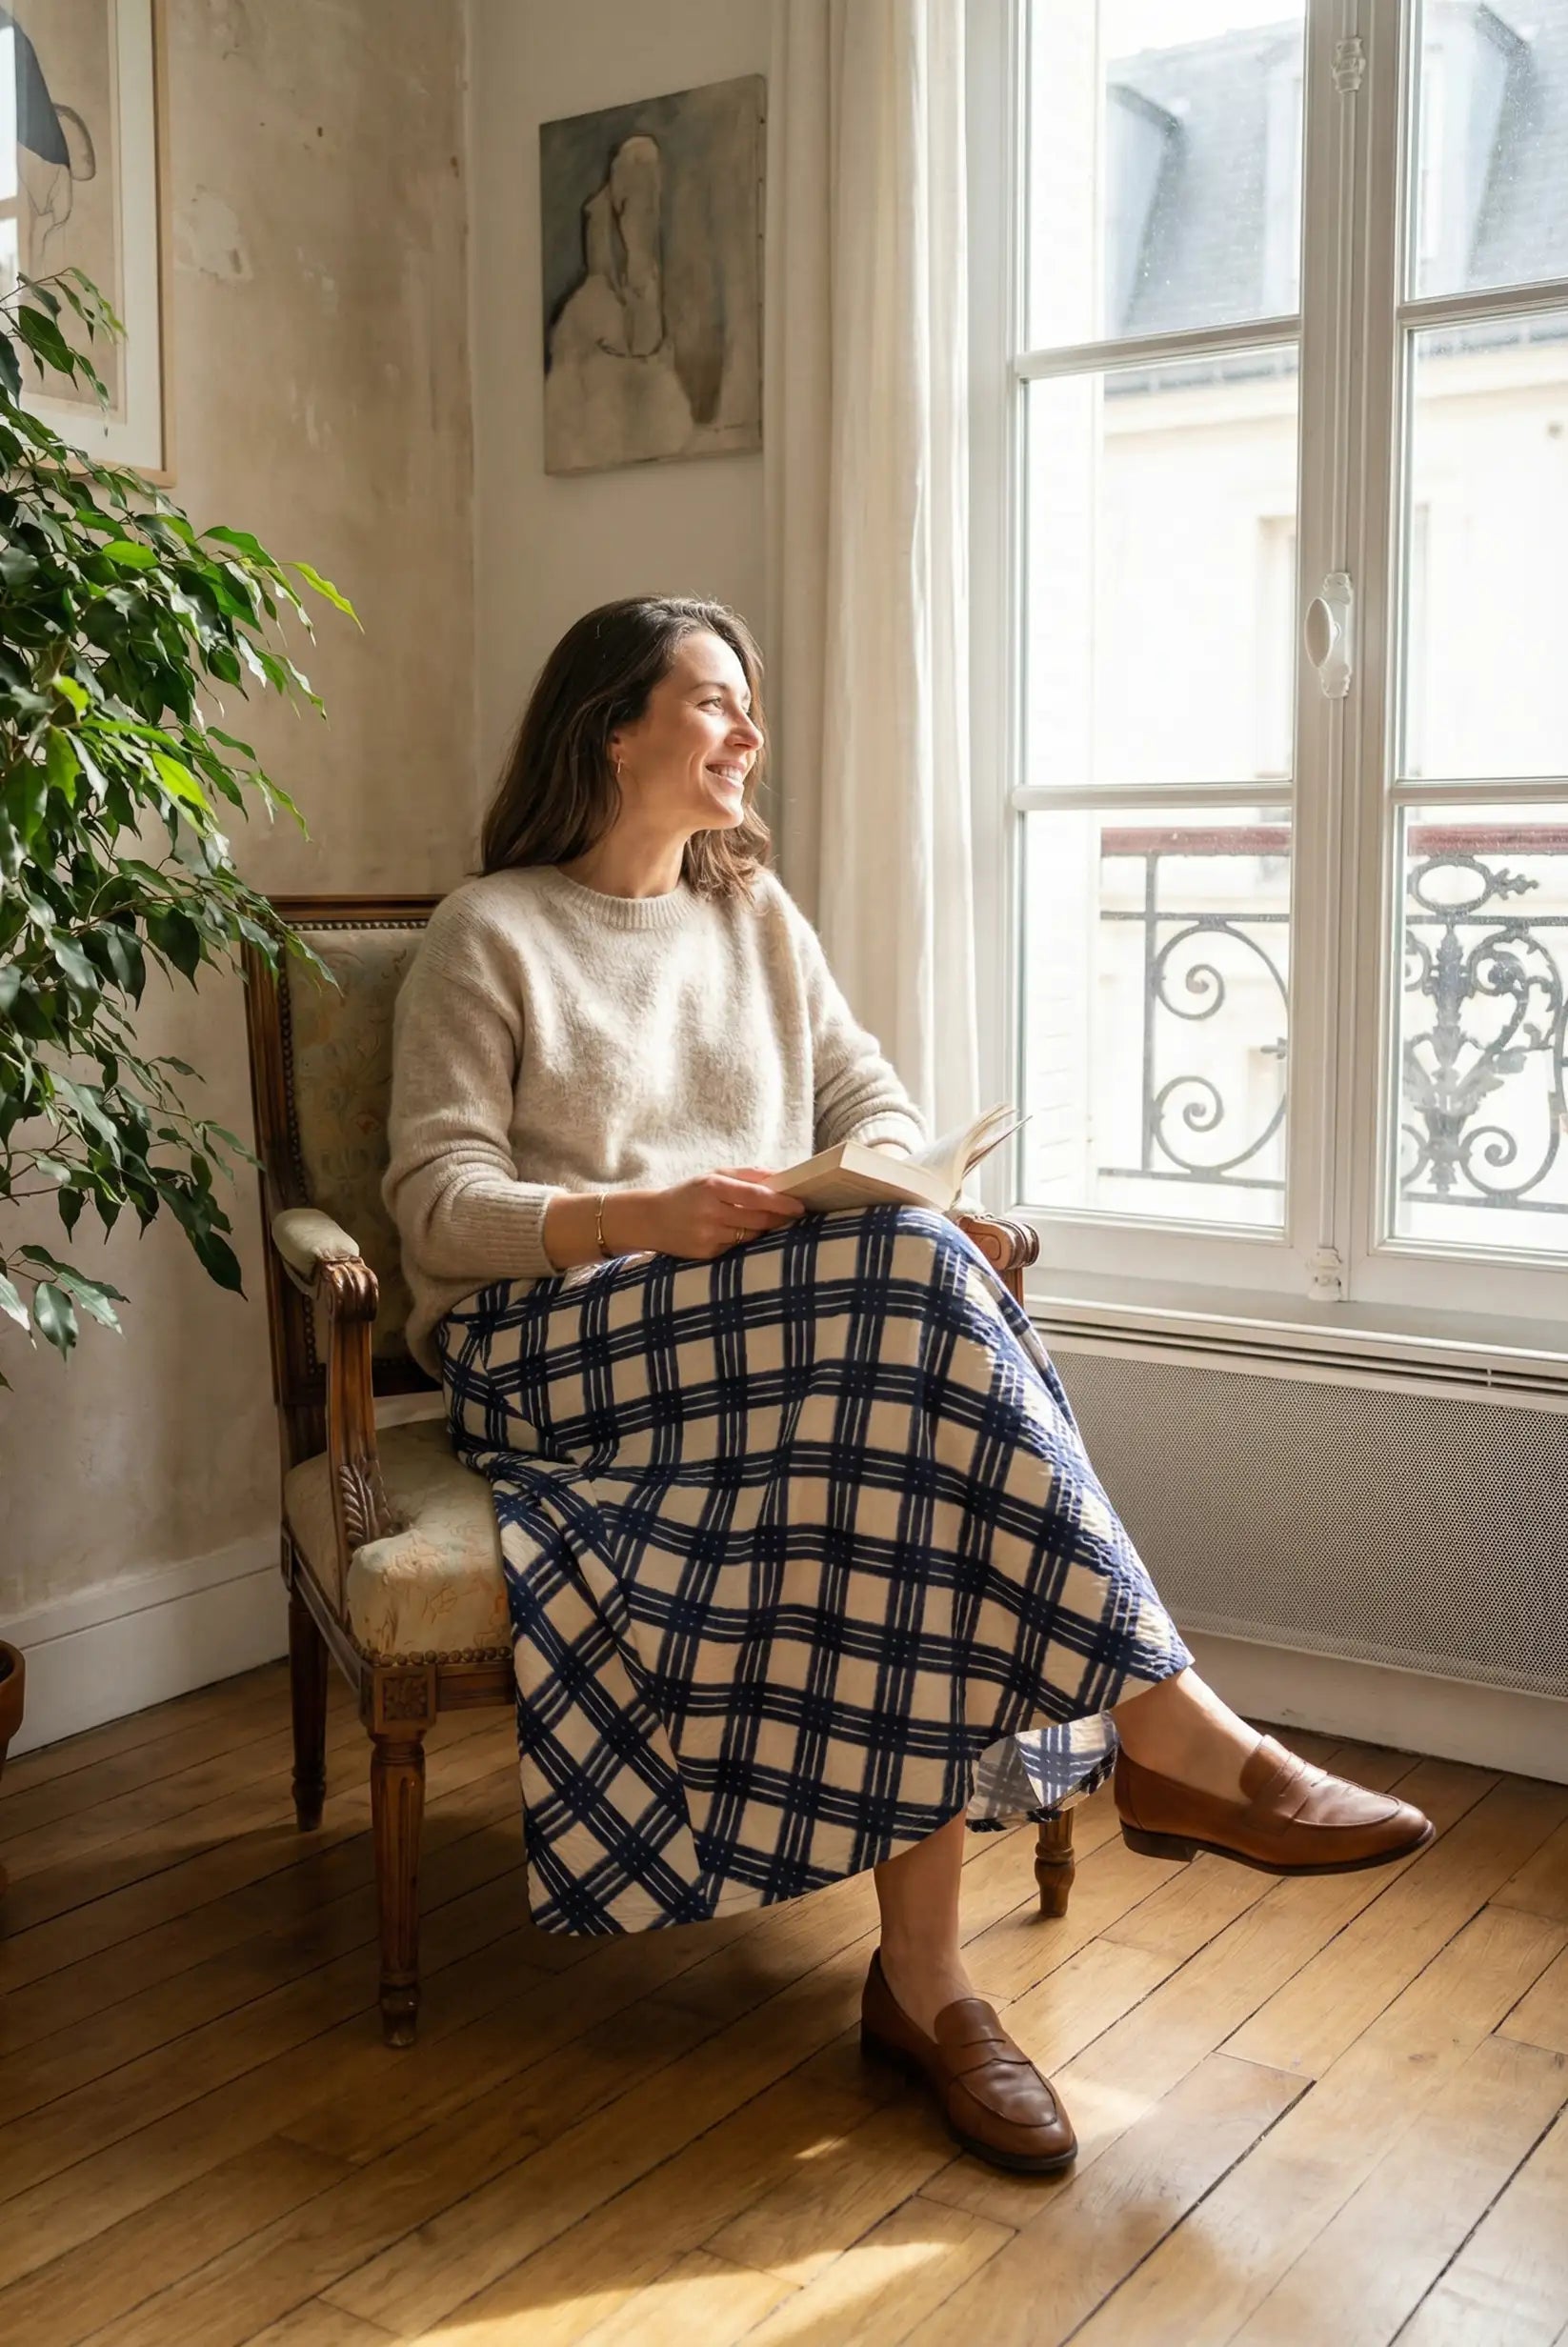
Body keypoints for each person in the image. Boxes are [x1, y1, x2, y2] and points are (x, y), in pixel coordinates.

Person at [383, 595, 1434, 2176]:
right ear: (612, 724)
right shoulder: (492, 931)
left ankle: (930, 1989)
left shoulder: (754, 916)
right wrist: (630, 1218)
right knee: (918, 1295)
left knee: (911, 1393)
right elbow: (433, 1200)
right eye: (715, 702)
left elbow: (866, 1097)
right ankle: (1175, 1739)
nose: (748, 733)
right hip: (553, 1346)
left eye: (749, 706)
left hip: (763, 1340)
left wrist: (911, 1180)